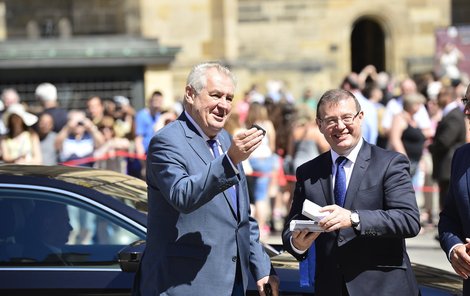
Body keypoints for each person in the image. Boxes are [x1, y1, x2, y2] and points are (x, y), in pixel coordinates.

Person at [132, 62, 279, 296]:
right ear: (190, 94)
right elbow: (183, 196)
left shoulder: (226, 140)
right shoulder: (167, 142)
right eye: (216, 95)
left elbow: (241, 217)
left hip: (232, 284)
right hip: (183, 285)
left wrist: (261, 267)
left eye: (229, 98)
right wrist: (229, 161)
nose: (224, 105)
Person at [282, 89, 421, 296]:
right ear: (319, 125)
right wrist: (297, 243)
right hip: (331, 287)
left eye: (347, 118)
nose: (340, 126)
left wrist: (354, 219)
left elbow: (408, 220)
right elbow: (290, 228)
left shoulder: (389, 163)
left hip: (383, 287)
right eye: (330, 120)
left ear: (360, 117)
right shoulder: (308, 172)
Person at [438, 83, 470, 295]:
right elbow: (449, 216)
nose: (466, 111)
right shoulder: (462, 156)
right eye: (466, 102)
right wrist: (454, 248)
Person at [429, 85, 467, 211]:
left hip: (448, 163)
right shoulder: (450, 113)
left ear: (447, 97)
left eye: (440, 96)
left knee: (448, 203)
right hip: (446, 164)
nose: (437, 99)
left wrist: (431, 147)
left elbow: (445, 140)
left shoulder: (454, 114)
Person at [388, 93, 427, 177]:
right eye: (417, 104)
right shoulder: (399, 118)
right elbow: (395, 140)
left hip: (415, 162)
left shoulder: (413, 120)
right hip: (404, 163)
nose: (420, 107)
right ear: (410, 105)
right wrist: (404, 159)